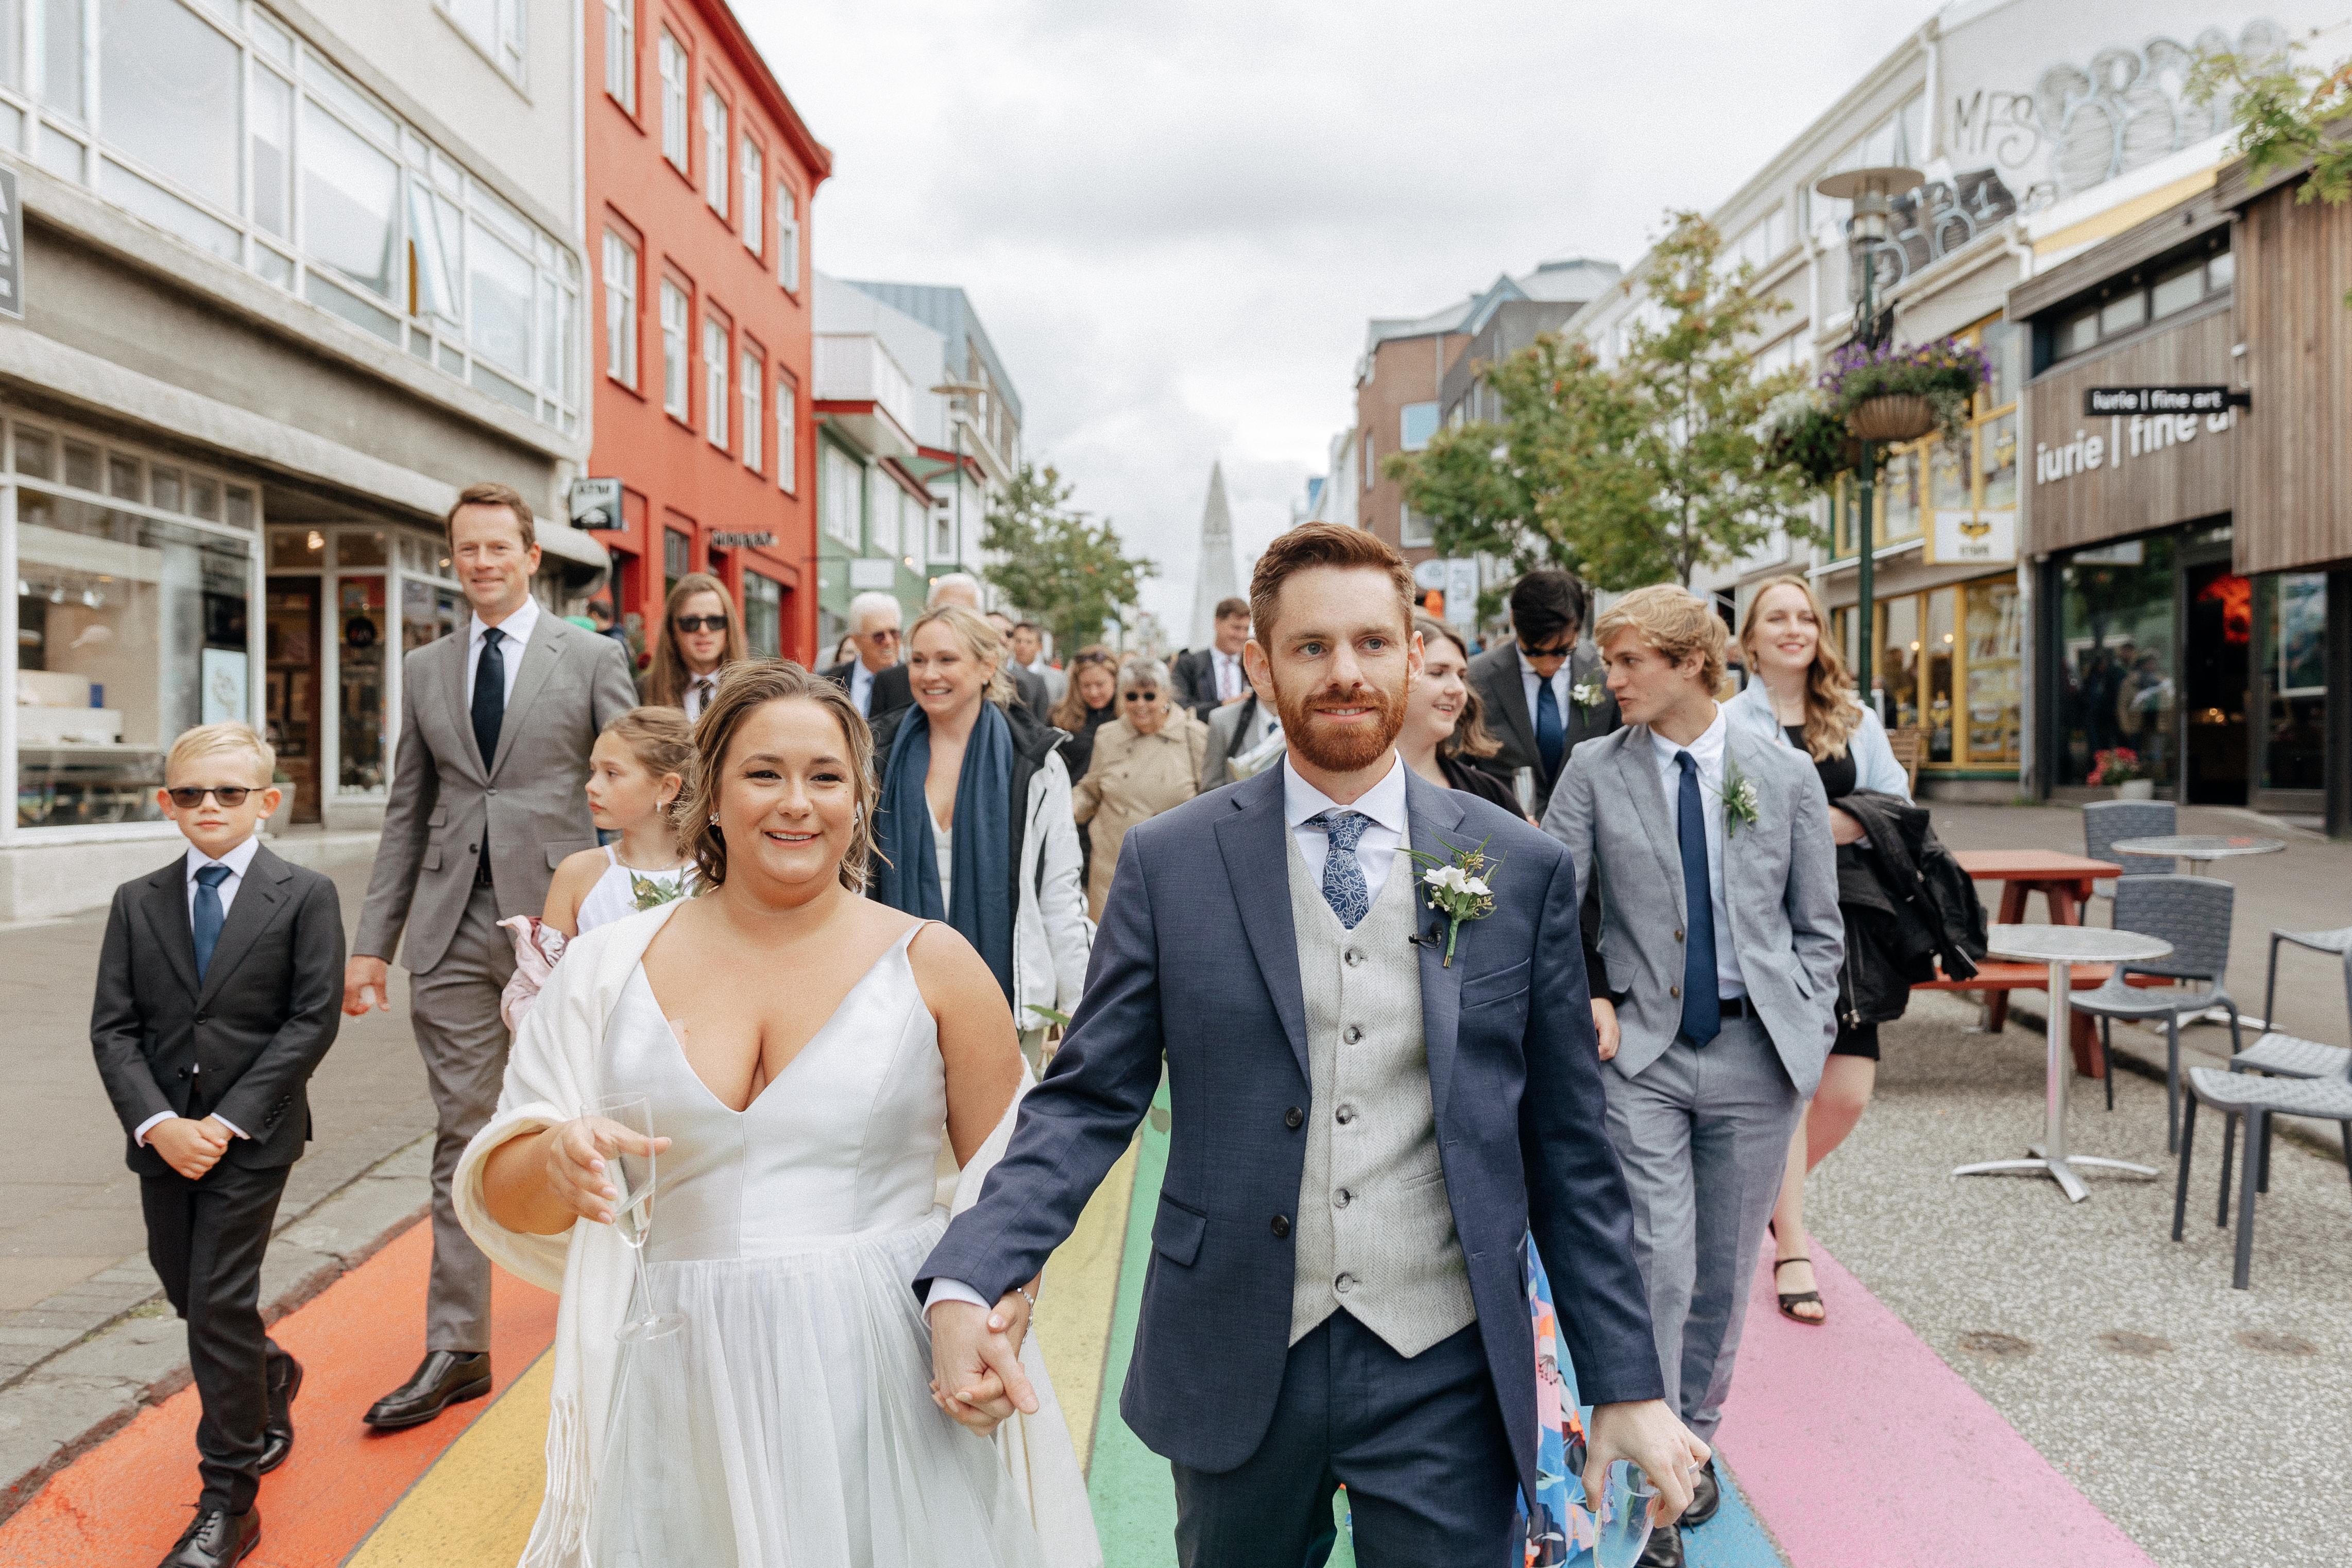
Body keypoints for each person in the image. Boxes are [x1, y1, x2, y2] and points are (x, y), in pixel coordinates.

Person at [921, 523, 1705, 1566]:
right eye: (1312, 647)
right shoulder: (1171, 861)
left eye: (1373, 643)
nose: (1346, 673)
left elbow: (1569, 1144)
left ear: (1415, 656)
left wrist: (1627, 1379)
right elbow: (1088, 1098)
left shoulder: (1519, 867)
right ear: (1260, 664)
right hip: (1233, 1341)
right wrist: (975, 1270)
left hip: (1445, 1364)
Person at [453, 661, 1098, 1568]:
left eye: (825, 777)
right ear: (711, 795)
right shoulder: (604, 969)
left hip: (884, 1370)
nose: (797, 802)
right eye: (764, 773)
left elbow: (1010, 1187)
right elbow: (507, 1192)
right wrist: (556, 1159)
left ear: (859, 801)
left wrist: (996, 1319)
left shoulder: (936, 963)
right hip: (680, 1380)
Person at [1541, 584, 1840, 1568]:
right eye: (1608, 663)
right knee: (1656, 1260)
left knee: (1720, 1271)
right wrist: (1591, 993)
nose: (1611, 680)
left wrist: (1804, 1025)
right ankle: (1647, 1485)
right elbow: (1552, 906)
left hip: (1759, 1055)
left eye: (1629, 662)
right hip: (1644, 1054)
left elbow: (1818, 924)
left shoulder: (1782, 771)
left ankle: (1692, 1438)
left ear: (1689, 663)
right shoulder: (1593, 768)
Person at [346, 483, 638, 1433]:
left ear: (530, 556)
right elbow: (408, 808)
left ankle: (629, 1310)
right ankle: (457, 1345)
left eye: (498, 547)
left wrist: (644, 915)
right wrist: (372, 945)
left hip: (563, 932)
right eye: (467, 548)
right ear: (453, 557)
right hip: (447, 930)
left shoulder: (589, 655)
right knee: (462, 1133)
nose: (481, 562)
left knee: (595, 1117)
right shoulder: (425, 667)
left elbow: (636, 788)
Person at [92, 723, 344, 1568]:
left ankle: (227, 1501)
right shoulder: (136, 900)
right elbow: (114, 1027)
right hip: (163, 1136)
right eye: (191, 792)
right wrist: (159, 1123)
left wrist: (225, 1121)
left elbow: (310, 1020)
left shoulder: (305, 894)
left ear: (266, 801)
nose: (210, 805)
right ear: (166, 802)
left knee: (215, 1297)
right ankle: (266, 1371)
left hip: (252, 1135)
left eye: (230, 792)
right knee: (187, 1289)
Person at [1725, 577, 1910, 1328]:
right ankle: (1793, 1246)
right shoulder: (1728, 720)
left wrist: (1833, 822)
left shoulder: (1853, 716)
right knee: (1791, 1084)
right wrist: (1814, 823)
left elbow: (1895, 801)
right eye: (1777, 617)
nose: (1794, 628)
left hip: (1849, 917)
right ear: (1749, 639)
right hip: (1766, 919)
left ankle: (1766, 1201)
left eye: (1805, 617)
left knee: (1847, 1091)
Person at [870, 607, 1089, 1072]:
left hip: (1008, 1000)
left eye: (947, 660)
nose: (929, 674)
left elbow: (1059, 894)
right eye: (918, 660)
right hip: (892, 1004)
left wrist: (1077, 1007)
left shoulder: (1036, 762)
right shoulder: (874, 755)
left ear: (987, 666)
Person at [1469, 570, 1617, 819]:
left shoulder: (1605, 672)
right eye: (1534, 652)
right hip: (1506, 827)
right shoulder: (1476, 677)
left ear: (1578, 628)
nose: (1548, 664)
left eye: (1561, 652)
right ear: (1513, 621)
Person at [1070, 657, 1207, 921]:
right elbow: (1091, 791)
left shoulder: (1195, 735)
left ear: (1166, 695)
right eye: (1131, 696)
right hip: (1112, 869)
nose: (1140, 705)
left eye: (1149, 696)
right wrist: (1066, 807)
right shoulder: (1108, 736)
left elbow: (1212, 801)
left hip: (1174, 868)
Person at [542, 708, 697, 939]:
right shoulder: (576, 873)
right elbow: (550, 963)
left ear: (666, 789)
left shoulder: (715, 874)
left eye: (612, 773)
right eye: (593, 771)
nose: (591, 786)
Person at [1399, 614, 1521, 817]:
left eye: (1462, 676)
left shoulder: (1489, 795)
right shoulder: (1351, 791)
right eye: (1437, 673)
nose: (1458, 689)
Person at [646, 572, 747, 721]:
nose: (703, 631)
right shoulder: (644, 691)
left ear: (729, 628)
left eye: (715, 621)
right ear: (672, 631)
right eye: (690, 622)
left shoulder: (753, 691)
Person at [823, 590, 904, 719]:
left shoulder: (912, 681)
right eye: (879, 636)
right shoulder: (830, 681)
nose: (889, 641)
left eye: (894, 633)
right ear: (857, 641)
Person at [1170, 596, 1251, 720]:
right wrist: (1225, 706)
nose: (1242, 635)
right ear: (1217, 624)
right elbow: (1179, 707)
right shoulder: (1189, 664)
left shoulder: (1251, 666)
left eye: (1246, 629)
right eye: (1236, 628)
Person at [984, 609, 1054, 719]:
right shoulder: (968, 675)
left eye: (1009, 634)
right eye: (995, 632)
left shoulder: (1034, 681)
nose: (1003, 639)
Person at [1010, 621, 1068, 705]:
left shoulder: (1057, 679)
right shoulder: (1003, 675)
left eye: (1029, 642)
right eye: (1018, 641)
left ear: (1040, 647)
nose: (1022, 646)